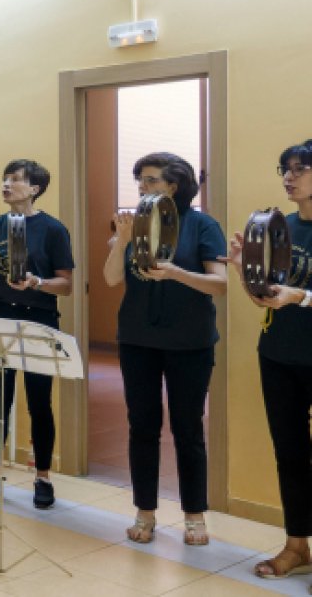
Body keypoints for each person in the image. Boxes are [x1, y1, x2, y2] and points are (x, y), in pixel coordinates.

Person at [102, 153, 225, 545]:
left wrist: (174, 273)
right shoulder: (132, 226)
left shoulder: (203, 225)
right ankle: (145, 511)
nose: (142, 187)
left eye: (151, 180)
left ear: (173, 186)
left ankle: (194, 516)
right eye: (140, 180)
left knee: (188, 429)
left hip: (190, 343)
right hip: (138, 340)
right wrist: (119, 242)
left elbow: (219, 284)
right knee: (142, 427)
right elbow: (109, 279)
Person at [0, 159, 73, 509]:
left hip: (38, 319)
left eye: (15, 180)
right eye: (4, 179)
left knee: (40, 403)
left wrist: (37, 282)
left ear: (35, 188)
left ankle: (42, 478)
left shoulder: (53, 230)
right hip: (0, 319)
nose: (6, 185)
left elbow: (66, 285)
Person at [225, 139, 312, 580]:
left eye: (300, 168)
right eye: (285, 168)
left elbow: (294, 295)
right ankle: (297, 546)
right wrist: (243, 270)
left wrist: (304, 296)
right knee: (291, 453)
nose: (289, 176)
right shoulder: (282, 228)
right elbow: (266, 301)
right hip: (278, 355)